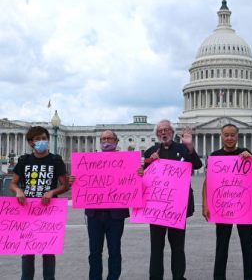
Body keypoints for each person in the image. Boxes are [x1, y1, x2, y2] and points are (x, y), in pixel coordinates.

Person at [143, 119, 203, 280]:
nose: (164, 132)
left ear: (172, 132)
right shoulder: (150, 151)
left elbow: (197, 165)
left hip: (178, 207)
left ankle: (178, 276)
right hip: (156, 207)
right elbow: (140, 174)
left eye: (167, 130)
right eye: (160, 130)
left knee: (178, 247)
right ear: (157, 134)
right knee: (156, 247)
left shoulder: (183, 149)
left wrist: (190, 147)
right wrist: (149, 162)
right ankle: (155, 277)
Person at [9, 126, 69, 280]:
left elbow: (65, 185)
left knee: (48, 253)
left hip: (49, 210)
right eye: (37, 139)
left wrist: (52, 192)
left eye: (44, 138)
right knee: (27, 253)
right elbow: (13, 183)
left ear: (48, 139)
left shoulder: (56, 160)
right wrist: (18, 191)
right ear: (31, 143)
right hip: (27, 210)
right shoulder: (24, 160)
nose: (41, 141)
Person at [70, 130, 129, 280]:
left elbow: (132, 183)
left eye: (109, 138)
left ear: (116, 141)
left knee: (114, 251)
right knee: (94, 252)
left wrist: (139, 173)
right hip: (94, 213)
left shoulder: (126, 161)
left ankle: (113, 278)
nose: (106, 141)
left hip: (116, 214)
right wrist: (74, 180)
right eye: (103, 138)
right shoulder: (89, 161)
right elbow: (82, 181)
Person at [202, 123, 252, 280]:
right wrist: (205, 204)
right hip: (222, 207)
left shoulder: (246, 153)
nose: (230, 138)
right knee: (221, 246)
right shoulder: (215, 155)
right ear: (221, 136)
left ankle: (250, 277)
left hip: (244, 206)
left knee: (247, 245)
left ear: (237, 136)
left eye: (233, 135)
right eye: (226, 135)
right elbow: (208, 182)